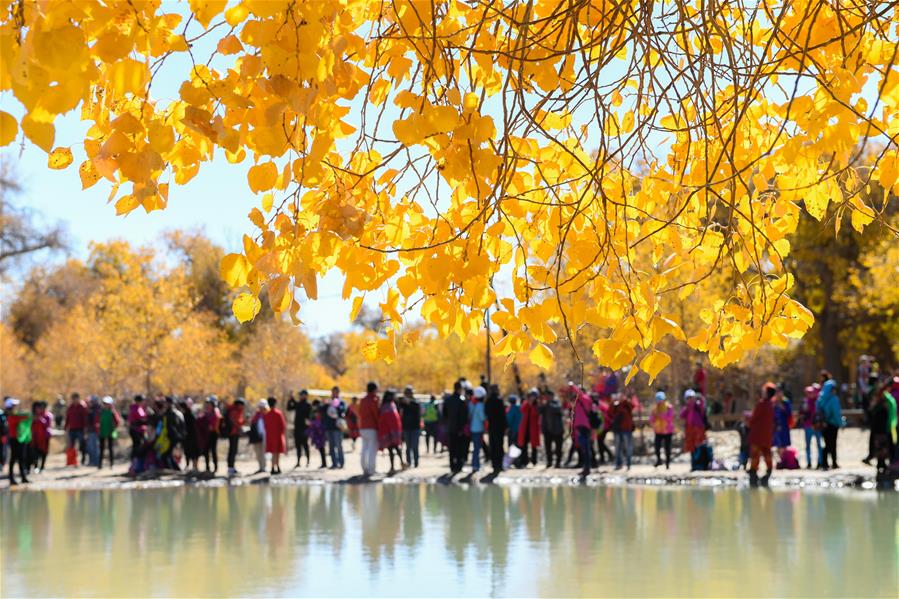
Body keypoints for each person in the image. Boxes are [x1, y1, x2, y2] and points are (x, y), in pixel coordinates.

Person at [748, 383, 776, 487]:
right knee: (767, 453)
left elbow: (754, 417)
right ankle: (769, 471)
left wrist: (748, 421)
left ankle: (753, 473)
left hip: (757, 434)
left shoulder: (762, 404)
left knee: (755, 454)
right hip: (767, 434)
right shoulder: (771, 405)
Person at [816, 376, 842, 470]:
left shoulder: (820, 397)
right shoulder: (834, 399)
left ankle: (824, 463)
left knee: (825, 444)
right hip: (832, 424)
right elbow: (836, 413)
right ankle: (834, 463)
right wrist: (841, 423)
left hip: (823, 424)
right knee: (832, 444)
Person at [868, 385, 894, 476]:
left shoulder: (880, 405)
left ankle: (881, 464)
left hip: (880, 430)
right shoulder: (880, 405)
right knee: (882, 448)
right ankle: (881, 464)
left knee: (881, 448)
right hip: (881, 430)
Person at [443, 381, 469, 473]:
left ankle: (452, 466)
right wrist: (462, 428)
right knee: (459, 449)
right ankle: (458, 467)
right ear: (459, 389)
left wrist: (449, 423)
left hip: (450, 428)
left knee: (451, 449)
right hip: (459, 430)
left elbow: (444, 414)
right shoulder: (462, 401)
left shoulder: (448, 400)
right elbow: (464, 417)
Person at [570, 385, 594, 476]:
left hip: (584, 427)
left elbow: (579, 393)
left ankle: (587, 468)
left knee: (586, 449)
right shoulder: (579, 402)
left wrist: (572, 385)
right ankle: (585, 467)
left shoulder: (586, 399)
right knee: (583, 449)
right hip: (580, 428)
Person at [6, 398, 31, 485]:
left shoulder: (16, 416)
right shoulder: (10, 417)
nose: (16, 408)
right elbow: (24, 417)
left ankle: (23, 477)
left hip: (21, 439)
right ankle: (11, 478)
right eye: (14, 406)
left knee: (21, 458)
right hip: (14, 439)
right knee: (13, 458)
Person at [378, 390, 404, 473]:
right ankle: (395, 465)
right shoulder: (388, 406)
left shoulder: (388, 405)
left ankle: (398, 464)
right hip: (390, 430)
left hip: (390, 430)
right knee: (393, 448)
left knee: (393, 448)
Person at [359, 382, 381, 476]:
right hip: (372, 427)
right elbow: (376, 414)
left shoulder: (363, 400)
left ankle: (364, 468)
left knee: (364, 449)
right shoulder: (373, 400)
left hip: (363, 427)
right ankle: (371, 470)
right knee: (372, 449)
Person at [485, 384, 507, 474]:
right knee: (499, 446)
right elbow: (503, 415)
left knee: (493, 446)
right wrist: (506, 426)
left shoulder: (488, 401)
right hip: (499, 427)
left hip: (491, 427)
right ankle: (499, 465)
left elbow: (486, 414)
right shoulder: (499, 400)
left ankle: (494, 465)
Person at [800, 384, 823, 469]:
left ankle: (820, 462)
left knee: (819, 445)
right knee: (808, 445)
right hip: (808, 426)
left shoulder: (819, 402)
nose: (809, 394)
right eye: (808, 392)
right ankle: (809, 462)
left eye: (811, 392)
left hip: (816, 426)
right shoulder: (806, 402)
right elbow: (802, 413)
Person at [516, 389, 541, 468]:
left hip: (533, 428)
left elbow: (535, 413)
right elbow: (522, 409)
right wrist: (528, 403)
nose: (532, 398)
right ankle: (524, 460)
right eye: (531, 396)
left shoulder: (537, 405)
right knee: (524, 445)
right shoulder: (526, 403)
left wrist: (532, 405)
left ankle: (534, 461)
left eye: (533, 396)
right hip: (525, 428)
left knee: (534, 446)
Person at [609, 392, 634, 470]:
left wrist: (625, 400)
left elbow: (632, 406)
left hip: (627, 429)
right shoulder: (616, 405)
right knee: (617, 448)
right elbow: (610, 412)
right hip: (617, 430)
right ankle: (618, 463)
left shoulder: (627, 404)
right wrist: (612, 402)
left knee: (628, 447)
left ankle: (629, 463)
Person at [649, 391, 674, 469]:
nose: (659, 401)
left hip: (667, 431)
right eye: (658, 399)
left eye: (660, 399)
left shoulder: (669, 407)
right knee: (657, 447)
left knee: (667, 448)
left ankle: (667, 463)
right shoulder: (655, 408)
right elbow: (651, 419)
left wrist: (660, 416)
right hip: (658, 430)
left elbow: (670, 418)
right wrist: (654, 417)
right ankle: (659, 460)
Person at [263, 397, 287, 474]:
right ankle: (277, 466)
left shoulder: (266, 415)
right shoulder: (278, 413)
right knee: (277, 453)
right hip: (278, 435)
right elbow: (283, 425)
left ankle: (273, 467)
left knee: (273, 452)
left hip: (270, 436)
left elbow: (265, 426)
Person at [323, 387, 346, 469]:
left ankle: (341, 463)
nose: (334, 394)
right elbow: (324, 412)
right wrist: (326, 404)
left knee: (339, 446)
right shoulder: (328, 402)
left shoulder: (341, 402)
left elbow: (343, 412)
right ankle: (334, 463)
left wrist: (336, 406)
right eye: (333, 392)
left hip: (338, 428)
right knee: (331, 447)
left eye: (336, 392)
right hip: (329, 427)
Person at [288, 390, 312, 467]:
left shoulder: (308, 404)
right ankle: (298, 462)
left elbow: (306, 413)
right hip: (297, 428)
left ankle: (308, 461)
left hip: (304, 428)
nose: (300, 396)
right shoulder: (298, 404)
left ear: (305, 395)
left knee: (305, 445)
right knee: (298, 445)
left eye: (301, 394)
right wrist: (290, 399)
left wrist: (293, 400)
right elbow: (289, 408)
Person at [541, 391, 564, 468]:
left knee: (558, 448)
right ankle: (549, 462)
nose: (547, 398)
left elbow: (557, 409)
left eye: (548, 396)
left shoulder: (557, 402)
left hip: (557, 429)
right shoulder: (544, 404)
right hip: (547, 430)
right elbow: (539, 411)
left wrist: (548, 403)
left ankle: (558, 462)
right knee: (548, 448)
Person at [680, 389, 706, 455]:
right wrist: (688, 408)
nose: (690, 399)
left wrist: (700, 398)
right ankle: (694, 460)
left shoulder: (698, 404)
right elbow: (682, 415)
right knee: (691, 446)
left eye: (691, 397)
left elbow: (702, 406)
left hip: (698, 428)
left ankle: (700, 459)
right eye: (688, 398)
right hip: (689, 429)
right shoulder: (686, 407)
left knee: (699, 444)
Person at [400, 386, 422, 468]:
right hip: (406, 428)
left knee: (415, 446)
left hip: (415, 428)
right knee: (408, 447)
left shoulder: (416, 402)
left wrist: (409, 402)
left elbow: (417, 408)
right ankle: (409, 462)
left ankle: (416, 462)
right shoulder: (402, 404)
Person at [65, 392, 88, 466]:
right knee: (72, 445)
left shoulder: (82, 407)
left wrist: (85, 428)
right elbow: (67, 417)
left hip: (80, 429)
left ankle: (83, 458)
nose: (75, 400)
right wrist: (66, 426)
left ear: (78, 399)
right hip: (72, 429)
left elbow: (85, 418)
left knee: (82, 444)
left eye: (76, 398)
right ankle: (73, 461)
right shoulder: (70, 407)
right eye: (73, 399)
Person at [98, 396, 121, 469]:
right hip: (102, 432)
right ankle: (100, 464)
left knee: (111, 449)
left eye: (107, 403)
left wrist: (113, 428)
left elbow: (117, 422)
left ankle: (111, 464)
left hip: (110, 432)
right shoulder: (101, 412)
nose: (106, 405)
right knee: (101, 449)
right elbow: (97, 421)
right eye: (104, 403)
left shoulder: (113, 412)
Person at [224, 398, 246, 476]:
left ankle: (232, 467)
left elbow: (239, 422)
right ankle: (230, 468)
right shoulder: (234, 411)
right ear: (238, 405)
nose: (243, 407)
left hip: (235, 433)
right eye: (242, 405)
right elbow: (236, 422)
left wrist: (244, 421)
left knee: (233, 450)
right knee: (232, 450)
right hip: (233, 433)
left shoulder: (237, 411)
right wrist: (241, 425)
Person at [468, 386, 487, 473]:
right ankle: (475, 465)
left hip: (473, 428)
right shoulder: (480, 405)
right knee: (477, 448)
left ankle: (475, 464)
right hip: (478, 429)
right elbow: (482, 417)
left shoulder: (472, 404)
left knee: (476, 448)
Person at [200, 397, 222, 473]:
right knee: (206, 450)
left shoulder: (216, 411)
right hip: (206, 434)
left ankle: (215, 467)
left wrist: (214, 429)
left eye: (209, 404)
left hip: (213, 433)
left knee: (213, 450)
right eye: (207, 404)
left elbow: (218, 420)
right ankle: (207, 467)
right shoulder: (206, 412)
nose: (208, 405)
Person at [30, 401, 52, 473]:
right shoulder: (33, 415)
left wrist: (39, 419)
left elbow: (47, 425)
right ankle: (36, 466)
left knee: (44, 452)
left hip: (45, 437)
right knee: (35, 453)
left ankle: (42, 467)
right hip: (35, 437)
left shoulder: (48, 415)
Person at [179, 398, 199, 471]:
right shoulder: (188, 414)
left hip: (190, 436)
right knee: (188, 452)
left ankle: (193, 466)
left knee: (190, 451)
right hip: (189, 436)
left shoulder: (187, 415)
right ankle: (190, 466)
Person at [249, 399, 268, 473]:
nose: (261, 408)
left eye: (263, 407)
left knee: (263, 452)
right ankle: (260, 467)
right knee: (258, 452)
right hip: (257, 437)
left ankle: (264, 467)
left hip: (265, 436)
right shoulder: (256, 415)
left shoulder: (267, 415)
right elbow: (252, 424)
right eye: (260, 407)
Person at [773, 387, 793, 456]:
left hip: (784, 426)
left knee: (784, 443)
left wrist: (783, 408)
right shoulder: (774, 402)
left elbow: (789, 413)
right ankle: (780, 459)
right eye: (777, 393)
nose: (778, 394)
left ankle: (784, 459)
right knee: (777, 444)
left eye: (780, 393)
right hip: (776, 426)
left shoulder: (786, 402)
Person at [128, 395, 148, 460]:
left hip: (138, 430)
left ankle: (135, 461)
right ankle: (135, 461)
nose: (143, 402)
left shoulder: (138, 408)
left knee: (137, 446)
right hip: (136, 430)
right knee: (137, 446)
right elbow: (142, 419)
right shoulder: (136, 408)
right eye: (142, 401)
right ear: (138, 401)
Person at [308, 403, 328, 468]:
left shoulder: (322, 419)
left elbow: (321, 428)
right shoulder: (315, 419)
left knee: (322, 450)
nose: (316, 414)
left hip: (321, 436)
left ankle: (324, 463)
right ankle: (323, 463)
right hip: (317, 436)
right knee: (321, 450)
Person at [85, 396, 102, 467]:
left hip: (97, 431)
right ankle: (91, 461)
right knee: (90, 447)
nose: (91, 403)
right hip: (90, 431)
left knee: (96, 447)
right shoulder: (89, 410)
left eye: (92, 401)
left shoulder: (99, 409)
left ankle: (97, 462)